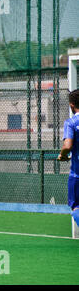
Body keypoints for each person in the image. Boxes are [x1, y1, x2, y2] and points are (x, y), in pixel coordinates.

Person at [57, 88, 79, 229]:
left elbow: (67, 145)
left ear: (71, 105)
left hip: (77, 175)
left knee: (76, 207)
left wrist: (63, 155)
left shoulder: (71, 122)